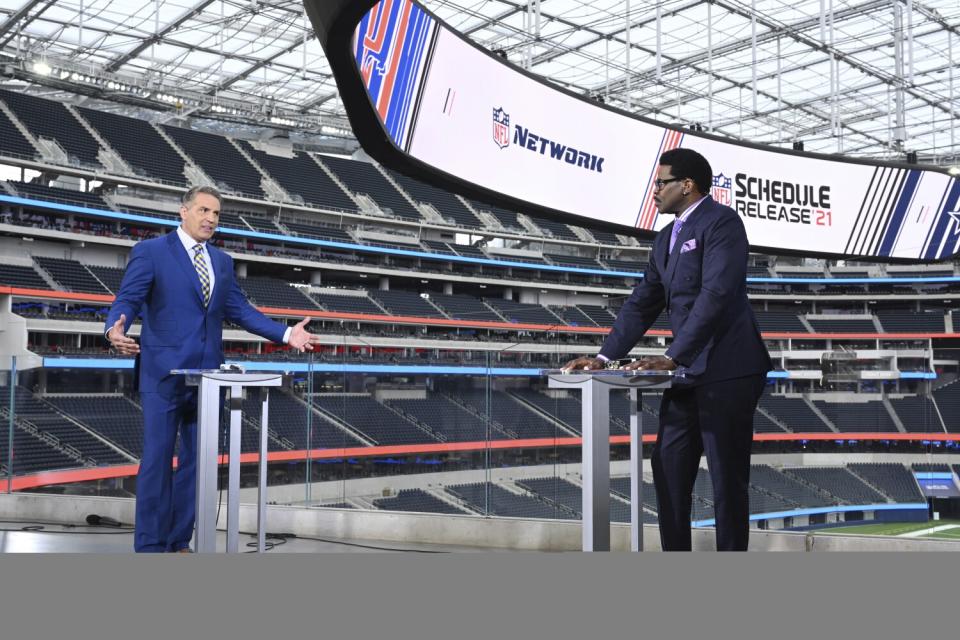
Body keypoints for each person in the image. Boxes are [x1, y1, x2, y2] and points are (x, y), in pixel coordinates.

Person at [564, 148, 771, 551]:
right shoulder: (665, 239)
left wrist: (674, 355)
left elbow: (716, 294)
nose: (654, 191)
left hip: (729, 370)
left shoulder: (723, 223)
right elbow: (643, 301)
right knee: (668, 467)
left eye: (661, 183)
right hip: (688, 373)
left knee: (727, 480)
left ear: (687, 186)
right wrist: (605, 356)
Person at [105, 185, 320, 552]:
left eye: (216, 214)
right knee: (157, 463)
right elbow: (128, 298)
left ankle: (178, 540)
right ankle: (150, 547)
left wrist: (286, 333)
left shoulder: (221, 261)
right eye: (204, 210)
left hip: (208, 379)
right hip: (163, 376)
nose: (211, 219)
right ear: (183, 212)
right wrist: (114, 327)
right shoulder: (151, 252)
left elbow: (240, 310)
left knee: (195, 467)